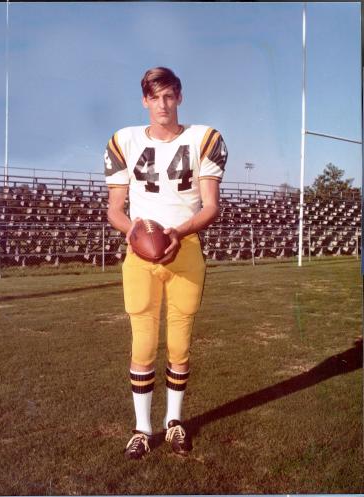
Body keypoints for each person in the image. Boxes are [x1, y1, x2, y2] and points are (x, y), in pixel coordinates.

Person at [104, 67, 228, 459]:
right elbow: (114, 209)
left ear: (180, 97)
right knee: (142, 342)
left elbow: (211, 207)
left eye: (169, 95)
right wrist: (136, 233)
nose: (163, 104)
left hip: (185, 248)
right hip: (140, 255)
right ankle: (142, 429)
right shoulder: (123, 140)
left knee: (179, 341)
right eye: (155, 97)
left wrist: (176, 232)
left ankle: (174, 422)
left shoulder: (204, 138)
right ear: (144, 100)